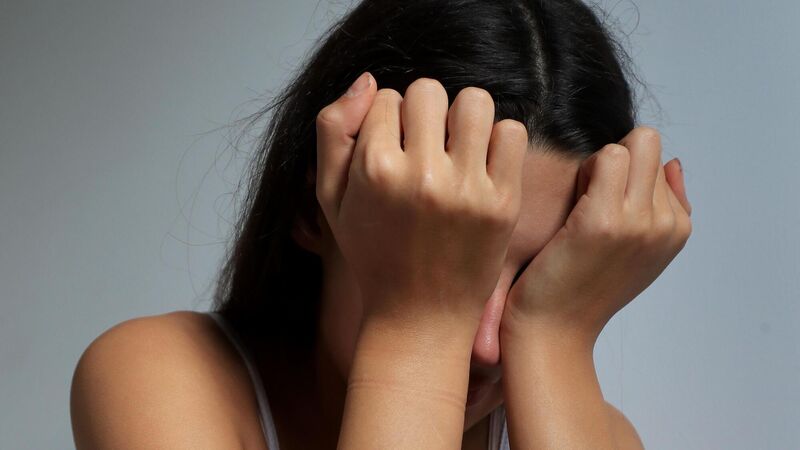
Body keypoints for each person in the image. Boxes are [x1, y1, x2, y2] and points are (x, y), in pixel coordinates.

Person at [69, 0, 692, 448]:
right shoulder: (159, 377)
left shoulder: (592, 433)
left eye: (542, 274)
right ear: (314, 210)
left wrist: (555, 334)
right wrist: (417, 322)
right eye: (459, 254)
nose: (488, 346)